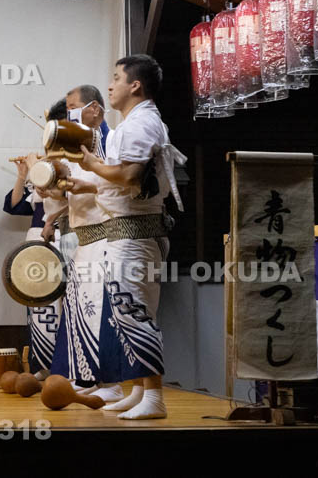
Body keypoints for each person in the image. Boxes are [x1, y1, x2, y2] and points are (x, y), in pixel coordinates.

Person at [77, 54, 187, 420]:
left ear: (134, 85)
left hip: (136, 232)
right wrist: (87, 177)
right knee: (129, 310)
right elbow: (116, 179)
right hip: (129, 229)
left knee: (135, 311)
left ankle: (154, 397)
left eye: (115, 78)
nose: (110, 85)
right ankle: (140, 389)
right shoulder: (135, 122)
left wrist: (91, 164)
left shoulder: (141, 124)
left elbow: (129, 177)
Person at [35, 87, 122, 403]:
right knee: (79, 312)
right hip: (82, 237)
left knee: (100, 312)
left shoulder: (109, 141)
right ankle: (86, 378)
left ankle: (110, 382)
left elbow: (117, 183)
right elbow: (70, 191)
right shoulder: (78, 146)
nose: (69, 114)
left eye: (73, 108)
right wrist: (53, 190)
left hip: (104, 233)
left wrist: (78, 183)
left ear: (94, 109)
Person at [2, 100, 67, 380]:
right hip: (37, 238)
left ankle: (66, 366)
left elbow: (58, 196)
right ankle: (42, 365)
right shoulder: (42, 167)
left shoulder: (66, 165)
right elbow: (16, 206)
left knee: (66, 304)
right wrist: (22, 175)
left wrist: (38, 171)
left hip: (65, 236)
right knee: (38, 304)